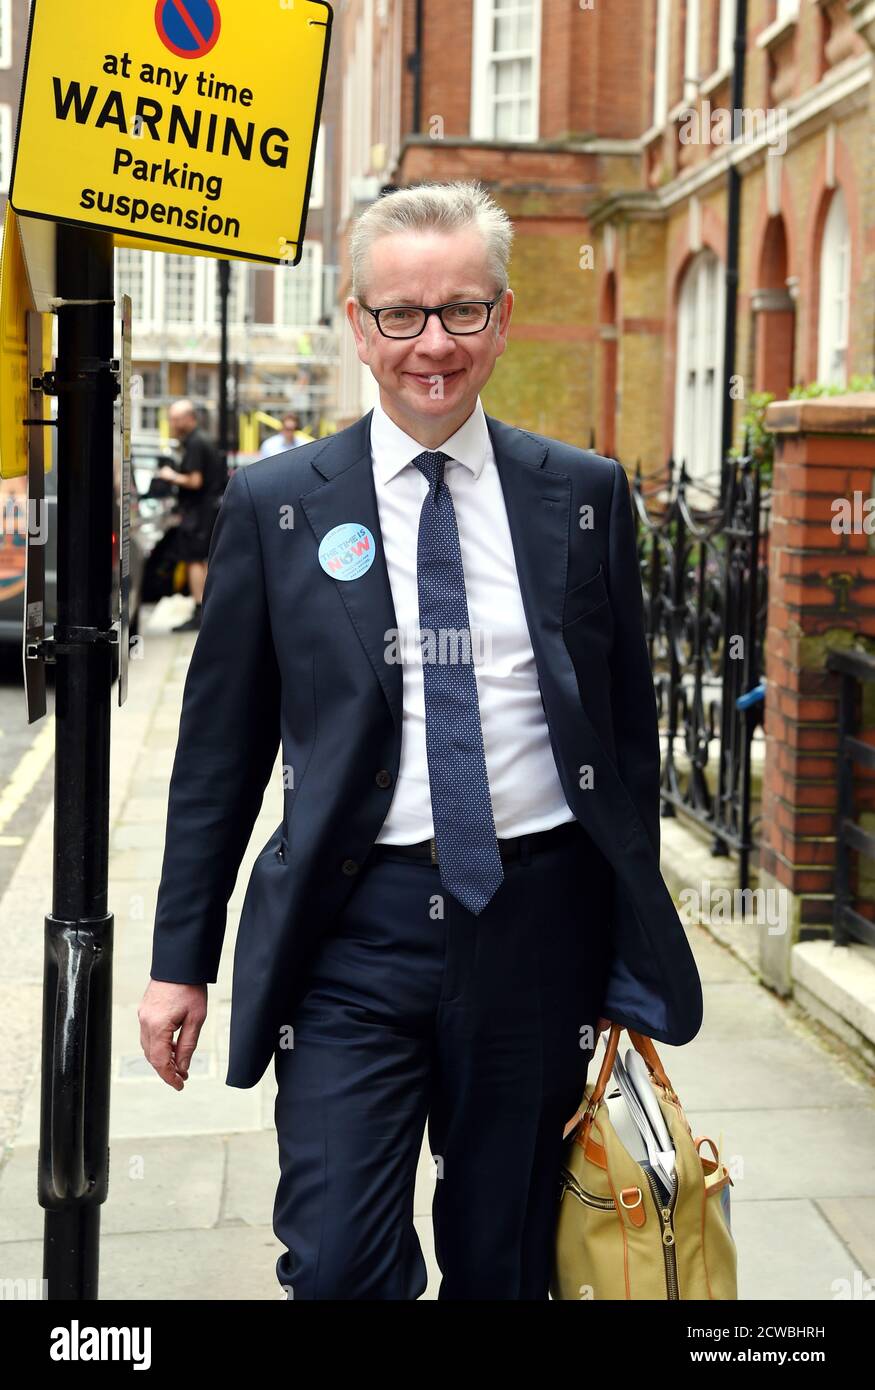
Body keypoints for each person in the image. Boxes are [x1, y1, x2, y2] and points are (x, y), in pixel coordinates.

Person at [139, 181, 703, 1300]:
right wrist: (176, 961)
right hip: (353, 929)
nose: (430, 344)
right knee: (340, 1257)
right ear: (355, 323)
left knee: (502, 1259)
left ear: (501, 319)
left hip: (534, 927)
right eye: (401, 314)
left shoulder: (583, 498)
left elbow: (623, 740)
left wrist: (613, 943)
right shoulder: (276, 501)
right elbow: (219, 752)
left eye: (460, 310)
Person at [158, 399, 228, 632]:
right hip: (204, 511)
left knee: (194, 560)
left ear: (190, 418)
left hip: (200, 512)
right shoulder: (200, 440)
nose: (173, 424)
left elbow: (195, 481)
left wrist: (170, 475)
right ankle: (204, 611)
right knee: (198, 559)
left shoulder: (197, 443)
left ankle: (200, 612)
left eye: (177, 419)